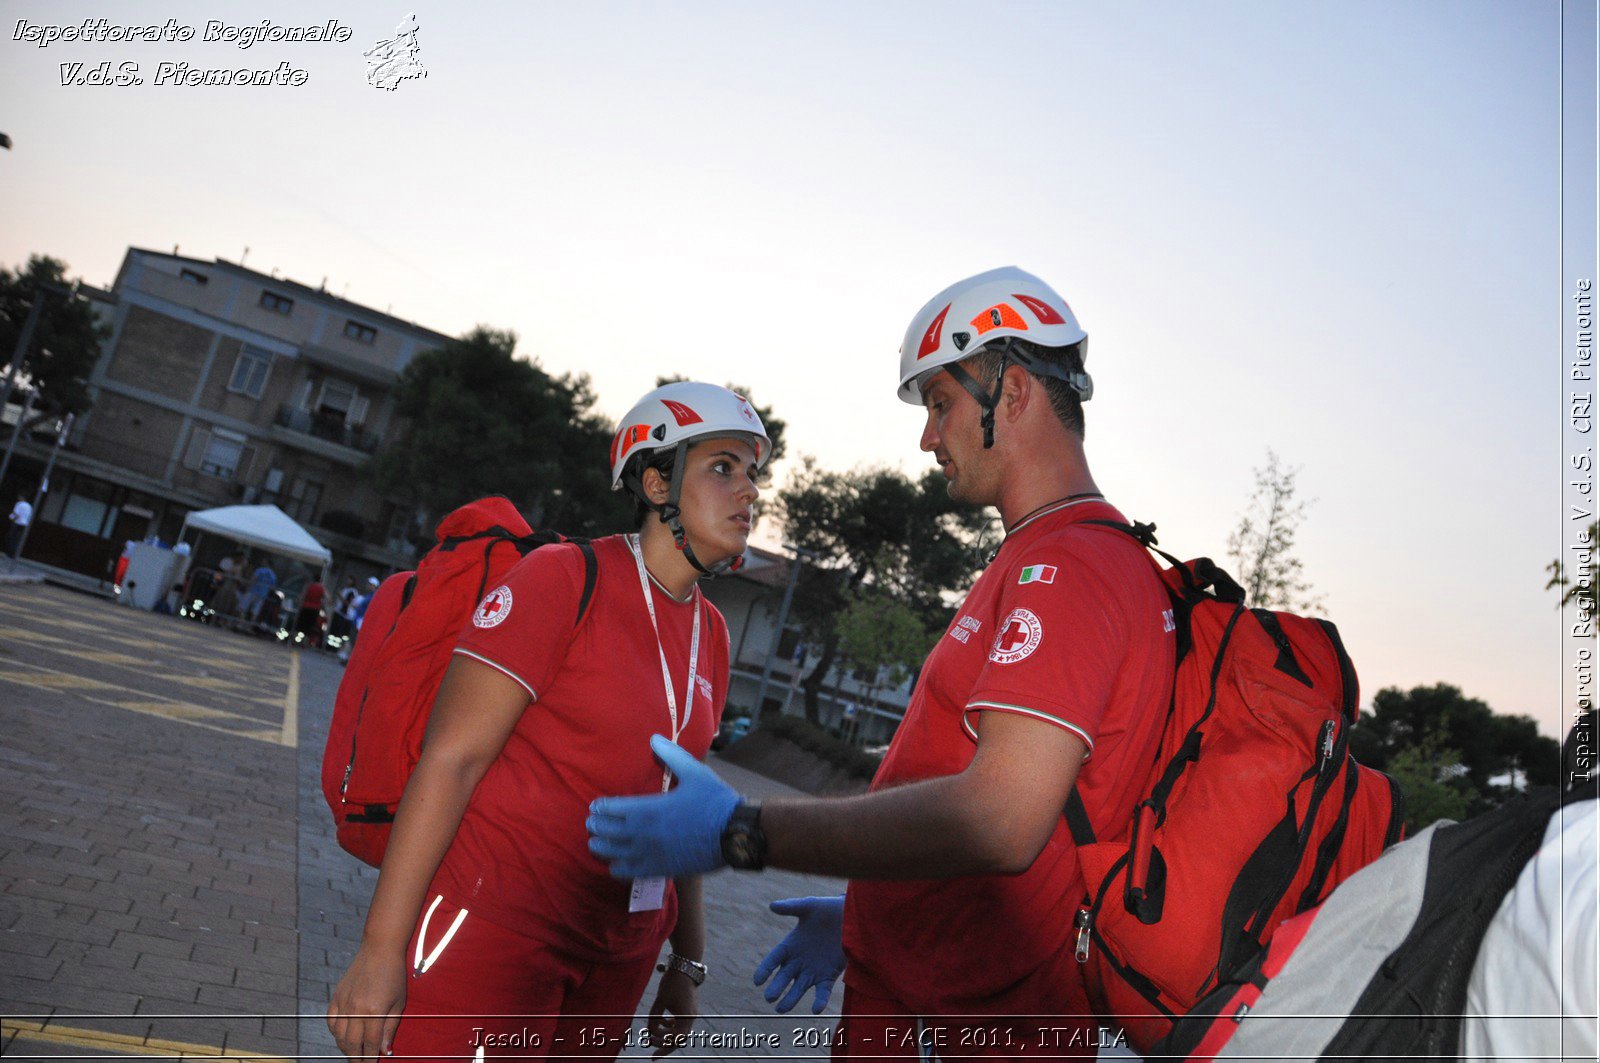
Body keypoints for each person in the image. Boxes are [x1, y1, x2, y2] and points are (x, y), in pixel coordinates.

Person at [587, 268, 1176, 1057]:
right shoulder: (1052, 557)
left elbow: (1000, 820)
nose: (928, 436)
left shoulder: (1069, 567)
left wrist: (744, 828)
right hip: (936, 989)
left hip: (965, 1018)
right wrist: (874, 917)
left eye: (940, 403)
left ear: (1014, 389)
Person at [328, 381, 770, 1061]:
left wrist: (687, 961)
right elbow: (451, 760)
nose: (748, 491)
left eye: (753, 473)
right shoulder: (564, 578)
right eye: (722, 467)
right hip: (497, 930)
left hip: (619, 953)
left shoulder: (711, 631)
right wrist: (379, 950)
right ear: (657, 482)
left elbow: (686, 802)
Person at [6, 494, 32, 559]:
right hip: (24, 524)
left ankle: (10, 553)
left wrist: (11, 519)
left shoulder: (19, 504)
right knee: (18, 539)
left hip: (17, 522)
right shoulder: (29, 506)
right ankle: (16, 553)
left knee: (11, 537)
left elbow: (16, 514)